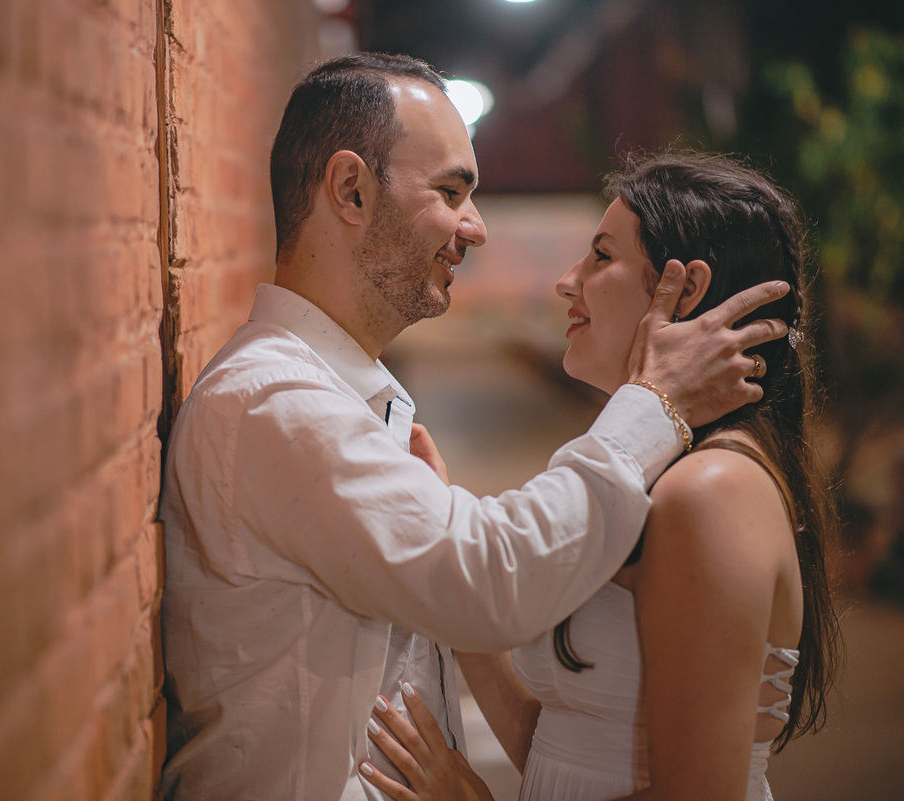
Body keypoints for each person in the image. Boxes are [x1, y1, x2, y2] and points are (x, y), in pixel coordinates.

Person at [159, 53, 790, 801]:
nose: (478, 227)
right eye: (452, 190)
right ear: (351, 190)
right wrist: (653, 404)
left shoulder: (328, 397)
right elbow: (492, 582)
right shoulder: (278, 401)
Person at [362, 152, 842, 801]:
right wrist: (454, 571)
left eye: (600, 256)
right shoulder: (655, 465)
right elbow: (566, 747)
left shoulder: (710, 493)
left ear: (686, 289)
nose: (566, 281)